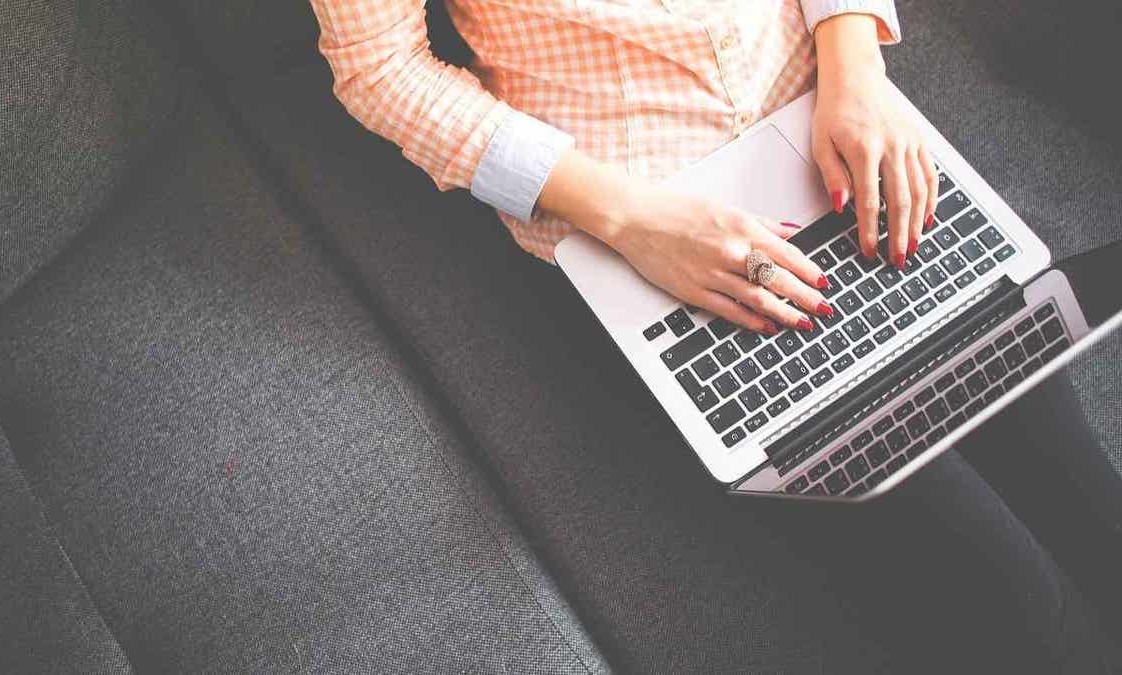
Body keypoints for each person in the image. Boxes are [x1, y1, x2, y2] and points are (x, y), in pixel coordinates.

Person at [308, 1, 1121, 669]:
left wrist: (856, 67)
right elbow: (381, 69)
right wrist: (631, 217)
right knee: (1011, 596)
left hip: (828, 127)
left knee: (1084, 495)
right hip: (648, 222)